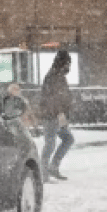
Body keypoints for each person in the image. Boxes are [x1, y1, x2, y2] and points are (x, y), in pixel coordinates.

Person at [39, 50, 74, 181]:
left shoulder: (58, 75)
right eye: (68, 63)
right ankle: (44, 173)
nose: (69, 66)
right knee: (50, 143)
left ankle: (53, 168)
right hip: (52, 115)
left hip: (59, 115)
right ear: (62, 62)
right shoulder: (53, 76)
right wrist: (59, 112)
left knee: (67, 139)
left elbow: (62, 96)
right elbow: (51, 97)